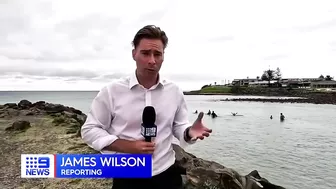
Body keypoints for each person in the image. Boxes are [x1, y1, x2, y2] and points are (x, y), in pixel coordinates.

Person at [80, 25, 212, 189]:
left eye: (157, 54)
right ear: (134, 54)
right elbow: (90, 130)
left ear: (163, 57)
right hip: (127, 173)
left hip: (166, 172)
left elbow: (178, 125)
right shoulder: (111, 92)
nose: (152, 60)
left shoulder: (174, 91)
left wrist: (189, 132)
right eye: (145, 53)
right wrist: (127, 146)